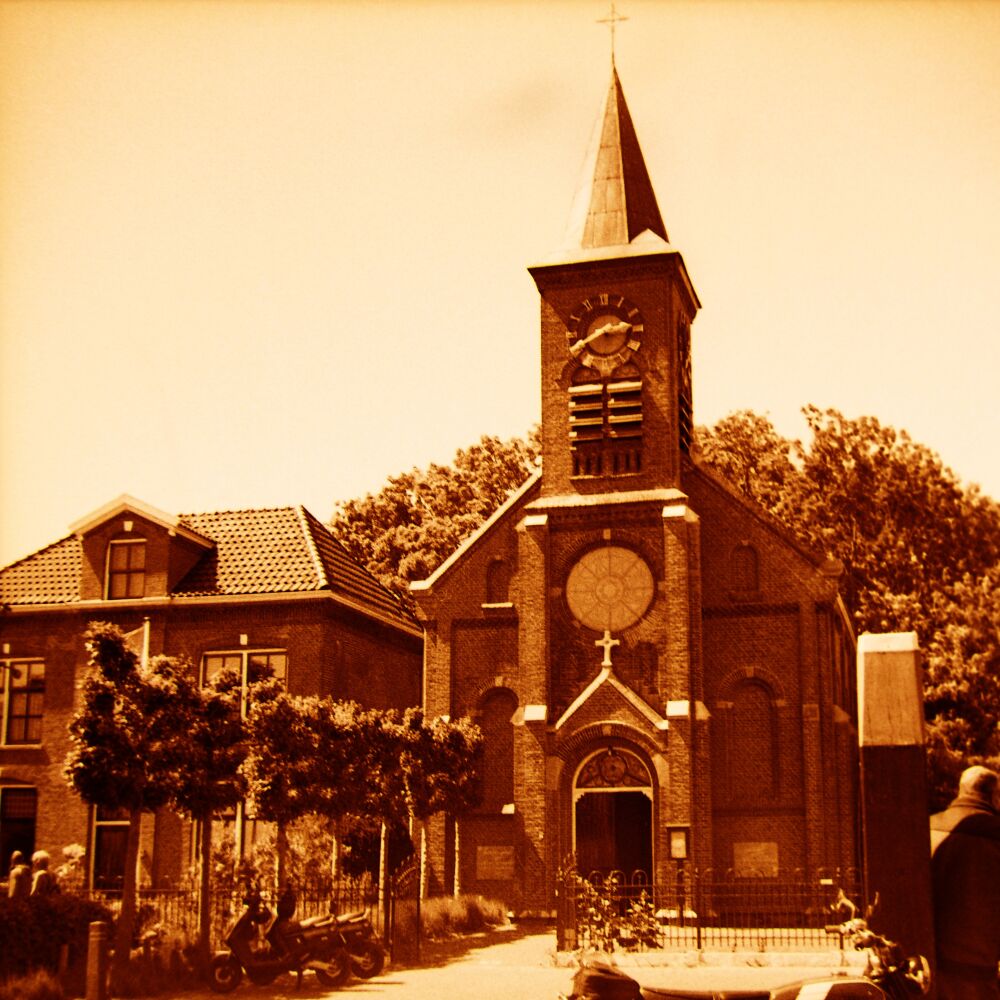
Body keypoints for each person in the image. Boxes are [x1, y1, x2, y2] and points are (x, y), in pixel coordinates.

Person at [929, 764, 1000, 999]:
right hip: (981, 970)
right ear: (994, 796)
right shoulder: (994, 836)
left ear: (961, 791)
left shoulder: (928, 830)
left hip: (934, 967)